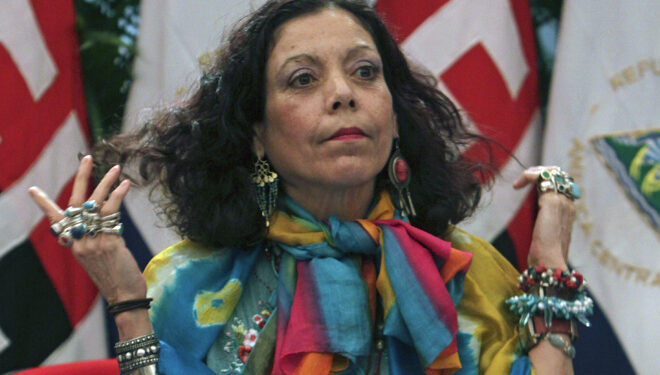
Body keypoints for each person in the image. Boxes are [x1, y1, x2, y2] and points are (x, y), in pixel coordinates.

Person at [28, 0, 589, 374]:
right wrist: (128, 301)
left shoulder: (466, 268)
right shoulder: (191, 280)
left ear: (394, 117)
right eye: (303, 79)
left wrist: (550, 264)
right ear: (257, 135)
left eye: (366, 72)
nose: (344, 93)